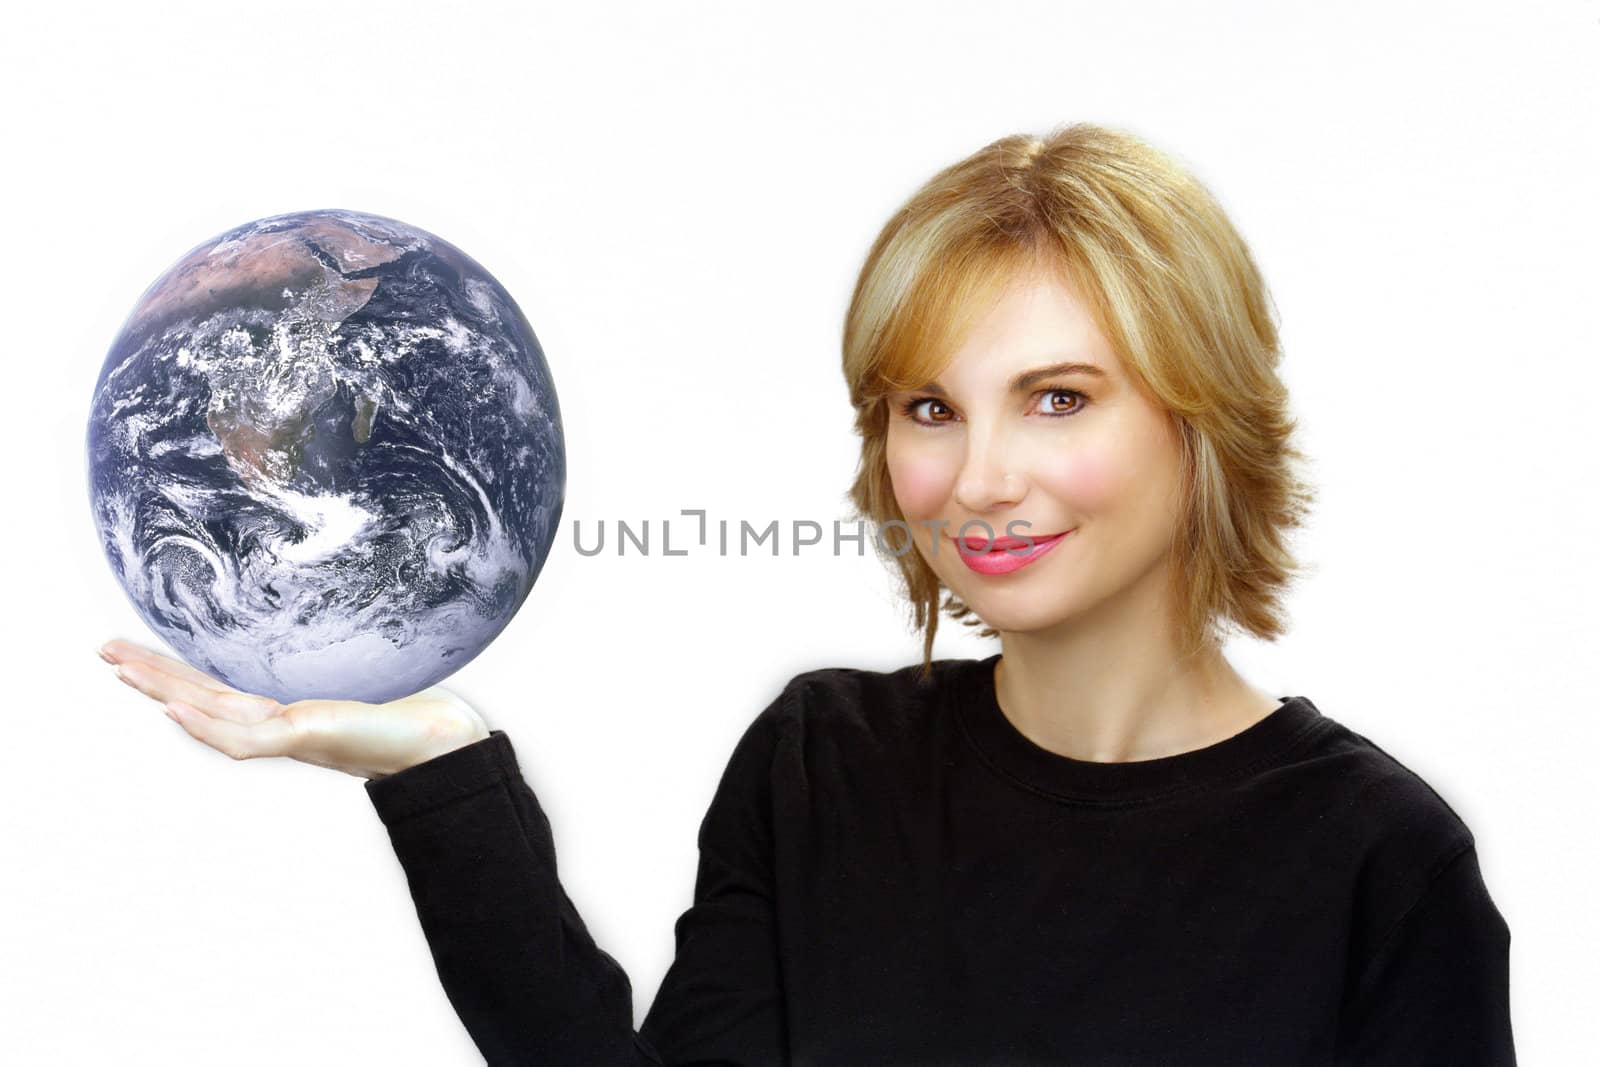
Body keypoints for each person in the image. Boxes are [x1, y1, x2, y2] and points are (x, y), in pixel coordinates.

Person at [99, 123, 1516, 1066]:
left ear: (1202, 420)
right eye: (927, 407)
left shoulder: (1380, 866)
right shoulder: (824, 762)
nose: (977, 477)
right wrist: (441, 770)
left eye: (1060, 397)